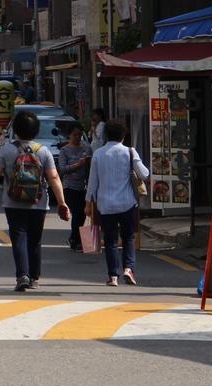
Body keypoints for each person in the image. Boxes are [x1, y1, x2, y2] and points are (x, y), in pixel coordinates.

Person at [0, 111, 70, 291]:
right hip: (38, 202)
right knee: (35, 239)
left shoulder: (6, 150)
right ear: (36, 130)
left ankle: (22, 275)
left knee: (18, 238)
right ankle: (34, 277)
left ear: (16, 129)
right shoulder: (43, 151)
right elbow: (53, 177)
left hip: (13, 201)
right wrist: (62, 202)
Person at [86, 121, 150, 287]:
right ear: (123, 136)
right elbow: (144, 173)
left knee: (110, 240)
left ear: (106, 135)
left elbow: (92, 182)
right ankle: (128, 268)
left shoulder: (98, 154)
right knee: (128, 237)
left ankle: (113, 276)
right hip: (127, 203)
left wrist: (88, 203)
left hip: (105, 205)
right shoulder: (129, 152)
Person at [57, 126, 93, 251]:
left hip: (85, 186)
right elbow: (62, 169)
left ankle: (74, 238)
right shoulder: (64, 151)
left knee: (83, 213)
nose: (78, 137)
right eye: (75, 135)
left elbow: (92, 165)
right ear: (70, 136)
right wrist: (77, 165)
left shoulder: (87, 148)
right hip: (70, 186)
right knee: (77, 212)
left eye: (79, 135)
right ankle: (76, 240)